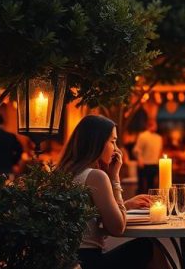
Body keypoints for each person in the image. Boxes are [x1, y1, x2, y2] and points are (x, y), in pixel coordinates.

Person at [59, 114, 155, 269]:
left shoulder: (66, 172)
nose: (117, 149)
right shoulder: (96, 176)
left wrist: (126, 205)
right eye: (113, 141)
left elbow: (88, 222)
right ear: (96, 143)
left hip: (67, 260)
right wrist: (115, 178)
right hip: (88, 262)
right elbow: (117, 228)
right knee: (148, 247)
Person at [133, 120, 163, 192]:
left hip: (154, 164)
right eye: (152, 124)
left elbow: (159, 151)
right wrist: (139, 160)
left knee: (152, 186)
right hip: (144, 164)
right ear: (148, 125)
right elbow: (137, 150)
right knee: (142, 187)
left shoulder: (158, 138)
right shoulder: (143, 136)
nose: (154, 126)